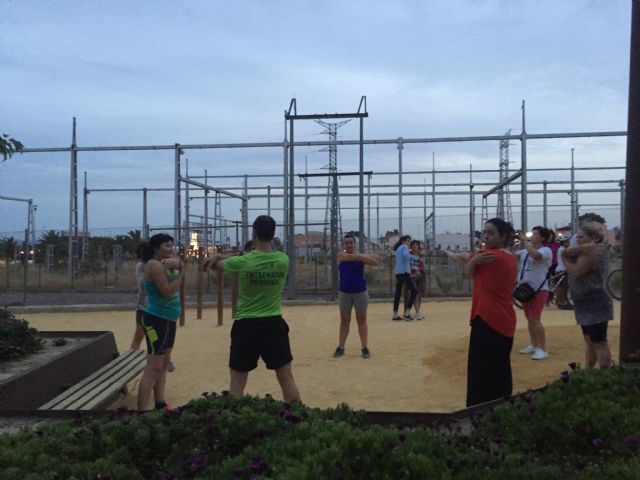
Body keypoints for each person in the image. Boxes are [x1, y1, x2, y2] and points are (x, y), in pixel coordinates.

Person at [204, 215, 301, 402]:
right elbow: (254, 257)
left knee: (237, 382)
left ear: (254, 233)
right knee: (286, 378)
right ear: (272, 235)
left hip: (246, 325)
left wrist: (217, 255)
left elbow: (215, 266)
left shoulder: (243, 262)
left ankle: (233, 422)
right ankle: (298, 418)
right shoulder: (283, 260)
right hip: (273, 323)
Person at [464, 218, 517, 406]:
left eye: (491, 233)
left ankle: (479, 410)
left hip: (489, 319)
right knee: (499, 370)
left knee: (482, 372)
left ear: (503, 237)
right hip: (500, 318)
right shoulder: (507, 256)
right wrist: (473, 259)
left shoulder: (493, 257)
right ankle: (501, 406)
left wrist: (473, 260)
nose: (486, 236)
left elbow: (468, 272)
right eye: (485, 232)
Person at [137, 233, 184, 410]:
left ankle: (160, 402)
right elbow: (167, 292)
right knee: (153, 367)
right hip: (156, 320)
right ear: (156, 248)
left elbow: (179, 262)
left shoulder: (166, 262)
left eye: (171, 246)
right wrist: (182, 274)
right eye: (166, 246)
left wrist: (179, 263)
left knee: (164, 363)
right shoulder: (154, 265)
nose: (170, 249)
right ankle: (142, 411)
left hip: (169, 319)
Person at [562, 223, 613, 368]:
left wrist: (565, 261)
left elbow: (578, 272)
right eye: (577, 236)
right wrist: (581, 247)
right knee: (590, 342)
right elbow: (569, 251)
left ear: (593, 238)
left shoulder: (592, 252)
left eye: (581, 237)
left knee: (599, 342)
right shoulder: (589, 250)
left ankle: (604, 373)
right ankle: (589, 372)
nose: (577, 239)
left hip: (594, 302)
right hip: (585, 302)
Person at [333, 234, 379, 359]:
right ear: (343, 245)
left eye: (351, 243)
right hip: (344, 293)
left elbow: (374, 262)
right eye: (346, 243)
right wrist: (362, 256)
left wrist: (361, 257)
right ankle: (341, 347)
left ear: (355, 244)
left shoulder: (358, 257)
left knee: (362, 320)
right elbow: (349, 257)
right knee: (344, 321)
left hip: (360, 292)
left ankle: (364, 347)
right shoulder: (340, 255)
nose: (349, 245)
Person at [517, 226, 552, 360]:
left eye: (536, 234)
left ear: (542, 237)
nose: (533, 235)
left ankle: (541, 348)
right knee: (529, 319)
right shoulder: (525, 251)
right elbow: (513, 256)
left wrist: (525, 242)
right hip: (526, 290)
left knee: (535, 319)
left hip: (539, 290)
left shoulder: (546, 250)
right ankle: (533, 344)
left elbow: (536, 256)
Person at [392, 235, 418, 321]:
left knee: (398, 294)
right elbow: (406, 256)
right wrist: (415, 257)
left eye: (409, 240)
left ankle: (395, 314)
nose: (409, 242)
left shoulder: (399, 248)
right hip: (404, 272)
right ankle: (407, 313)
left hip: (398, 272)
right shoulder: (404, 247)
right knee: (414, 291)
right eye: (408, 240)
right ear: (403, 241)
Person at [130, 242, 147, 351]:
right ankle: (133, 354)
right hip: (144, 307)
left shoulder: (140, 266)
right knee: (140, 335)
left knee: (153, 336)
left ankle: (163, 358)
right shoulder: (141, 266)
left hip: (147, 307)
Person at [403, 240, 426, 320]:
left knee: (419, 295)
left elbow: (422, 266)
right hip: (411, 277)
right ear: (411, 246)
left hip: (419, 276)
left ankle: (418, 311)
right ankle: (416, 312)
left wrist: (420, 271)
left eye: (417, 245)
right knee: (414, 294)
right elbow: (406, 265)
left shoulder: (420, 255)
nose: (415, 246)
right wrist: (414, 271)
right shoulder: (408, 255)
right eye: (413, 245)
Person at [554, 234, 574, 310]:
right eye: (567, 241)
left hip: (561, 270)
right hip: (562, 270)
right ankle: (564, 303)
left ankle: (563, 302)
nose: (569, 242)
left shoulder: (561, 249)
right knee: (563, 288)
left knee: (563, 288)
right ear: (563, 242)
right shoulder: (563, 250)